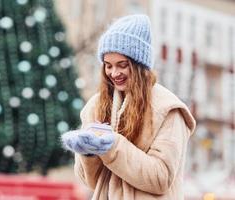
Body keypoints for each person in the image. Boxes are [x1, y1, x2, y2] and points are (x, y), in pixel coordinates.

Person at [61, 14, 196, 200]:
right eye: (108, 66)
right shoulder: (96, 105)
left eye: (122, 65)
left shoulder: (168, 109)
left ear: (139, 65)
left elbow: (161, 178)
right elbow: (90, 182)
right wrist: (89, 153)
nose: (114, 73)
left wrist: (111, 146)